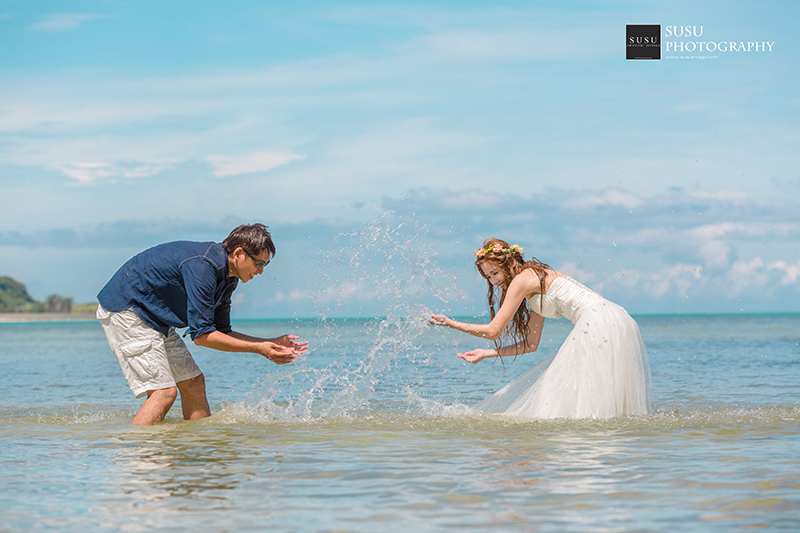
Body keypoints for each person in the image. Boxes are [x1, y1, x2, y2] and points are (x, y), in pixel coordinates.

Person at [96, 223, 307, 425]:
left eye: (265, 264)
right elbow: (202, 337)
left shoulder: (228, 279)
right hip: (127, 310)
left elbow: (222, 332)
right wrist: (260, 349)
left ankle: (200, 453)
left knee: (193, 383)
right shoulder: (203, 267)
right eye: (258, 263)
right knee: (164, 393)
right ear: (238, 253)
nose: (261, 271)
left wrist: (269, 342)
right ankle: (137, 453)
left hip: (154, 319)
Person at [429, 238, 650, 419]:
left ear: (511, 263)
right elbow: (530, 344)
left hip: (598, 319)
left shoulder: (523, 280)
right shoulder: (535, 282)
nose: (494, 281)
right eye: (488, 277)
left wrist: (452, 323)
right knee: (590, 393)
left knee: (563, 393)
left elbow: (493, 331)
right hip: (616, 317)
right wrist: (487, 353)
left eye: (495, 273)